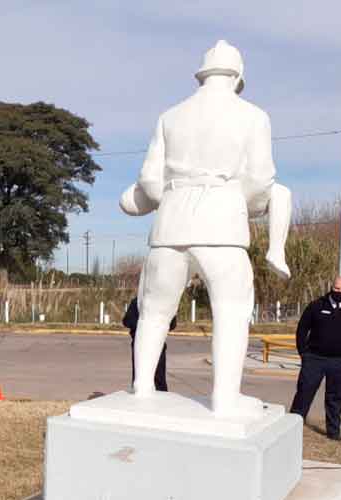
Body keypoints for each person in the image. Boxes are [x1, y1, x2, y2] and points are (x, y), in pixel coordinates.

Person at [117, 40, 292, 417]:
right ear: (238, 76)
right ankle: (225, 399)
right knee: (230, 311)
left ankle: (142, 388)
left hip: (170, 225)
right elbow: (261, 179)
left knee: (154, 312)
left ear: (202, 75)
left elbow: (149, 181)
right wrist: (246, 203)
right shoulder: (253, 116)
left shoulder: (170, 116)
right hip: (223, 225)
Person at [290, 277, 341, 440]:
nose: (339, 292)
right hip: (314, 359)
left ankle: (333, 432)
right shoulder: (316, 306)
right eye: (336, 289)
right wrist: (303, 353)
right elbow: (302, 329)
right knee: (304, 392)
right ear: (331, 287)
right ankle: (292, 428)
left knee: (335, 398)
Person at [123, 297, 176, 391]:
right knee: (157, 376)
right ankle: (158, 397)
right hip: (155, 343)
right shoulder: (163, 302)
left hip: (141, 344)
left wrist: (140, 327)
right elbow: (172, 324)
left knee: (141, 376)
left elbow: (127, 321)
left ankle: (143, 398)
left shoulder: (137, 301)